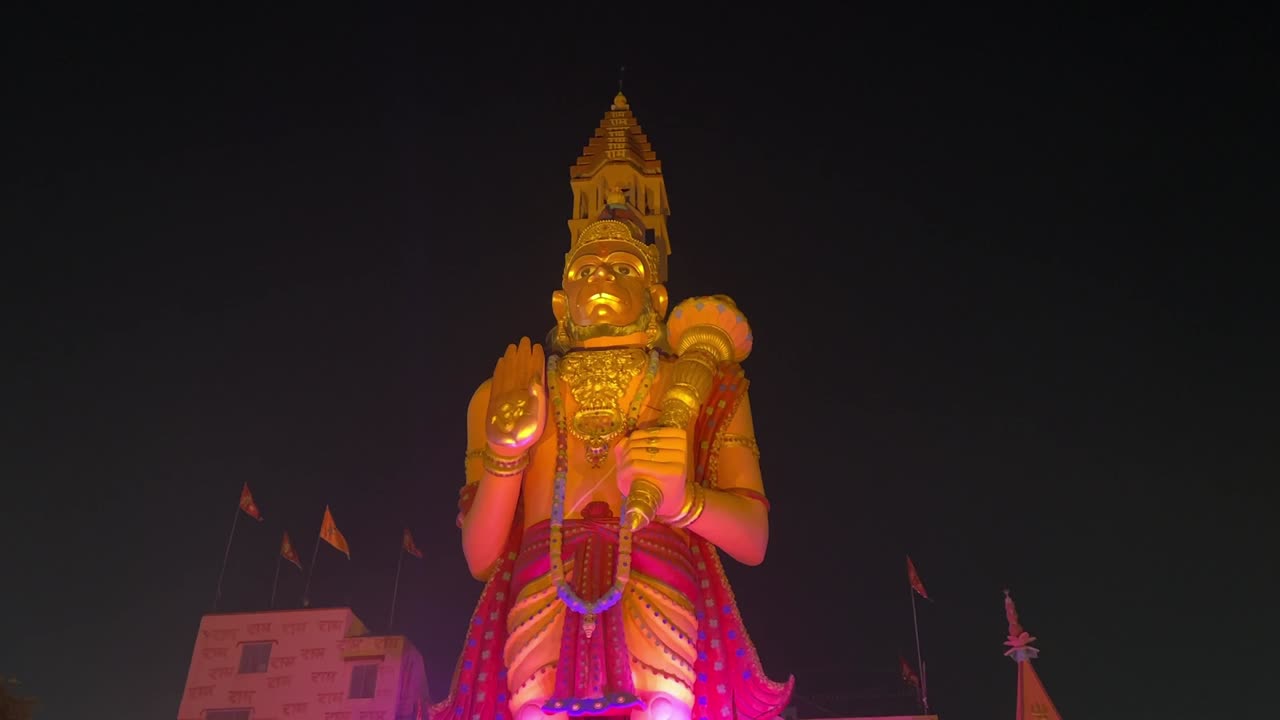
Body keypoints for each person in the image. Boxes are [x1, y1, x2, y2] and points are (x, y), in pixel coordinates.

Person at [432, 199, 792, 720]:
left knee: (664, 707)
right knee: (536, 710)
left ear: (656, 294)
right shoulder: (508, 390)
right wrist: (506, 456)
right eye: (586, 269)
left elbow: (753, 538)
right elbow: (480, 557)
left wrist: (684, 501)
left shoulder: (699, 381)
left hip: (659, 579)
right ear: (561, 302)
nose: (602, 278)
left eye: (622, 268)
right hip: (542, 584)